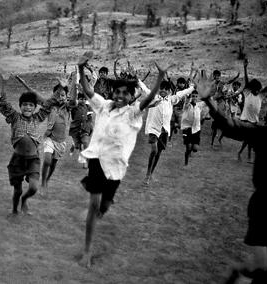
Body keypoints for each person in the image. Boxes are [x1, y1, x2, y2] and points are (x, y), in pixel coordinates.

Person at [196, 70, 267, 284]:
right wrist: (208, 100)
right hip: (263, 208)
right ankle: (241, 276)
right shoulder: (266, 134)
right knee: (264, 270)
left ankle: (239, 275)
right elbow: (232, 125)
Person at [76, 51, 164, 268]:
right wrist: (80, 68)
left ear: (130, 96)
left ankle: (98, 213)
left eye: (125, 93)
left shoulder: (133, 113)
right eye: (117, 92)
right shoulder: (103, 106)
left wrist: (160, 77)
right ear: (112, 92)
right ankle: (87, 252)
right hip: (97, 161)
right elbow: (87, 90)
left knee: (103, 208)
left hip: (117, 169)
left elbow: (149, 99)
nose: (119, 96)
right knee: (93, 206)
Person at [0, 74, 58, 216]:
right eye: (25, 104)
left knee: (33, 187)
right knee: (17, 190)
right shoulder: (14, 117)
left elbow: (48, 104)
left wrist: (61, 88)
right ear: (20, 106)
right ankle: (14, 210)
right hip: (17, 160)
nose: (28, 107)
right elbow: (4, 103)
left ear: (35, 107)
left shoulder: (38, 117)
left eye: (31, 105)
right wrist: (4, 83)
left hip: (33, 160)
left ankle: (25, 200)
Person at [143, 73, 195, 186]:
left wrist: (193, 87)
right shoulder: (154, 97)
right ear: (159, 89)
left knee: (158, 153)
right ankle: (147, 174)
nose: (163, 91)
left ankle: (150, 174)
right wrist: (137, 80)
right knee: (154, 150)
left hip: (164, 131)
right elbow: (145, 89)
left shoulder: (171, 100)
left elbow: (182, 93)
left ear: (169, 91)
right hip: (153, 129)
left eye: (166, 89)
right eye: (162, 88)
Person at [180, 90, 207, 165]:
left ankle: (190, 151)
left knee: (195, 149)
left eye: (196, 96)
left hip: (196, 129)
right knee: (188, 147)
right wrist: (188, 98)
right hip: (187, 128)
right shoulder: (187, 105)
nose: (194, 98)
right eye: (193, 96)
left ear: (197, 97)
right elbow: (186, 102)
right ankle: (186, 162)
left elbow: (208, 101)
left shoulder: (199, 105)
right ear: (191, 97)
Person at [69, 92, 93, 168]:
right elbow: (73, 117)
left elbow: (90, 119)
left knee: (85, 143)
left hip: (85, 129)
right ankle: (74, 145)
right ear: (78, 99)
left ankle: (85, 162)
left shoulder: (88, 107)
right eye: (81, 99)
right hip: (75, 129)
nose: (82, 100)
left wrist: (87, 126)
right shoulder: (74, 107)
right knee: (78, 146)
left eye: (84, 99)